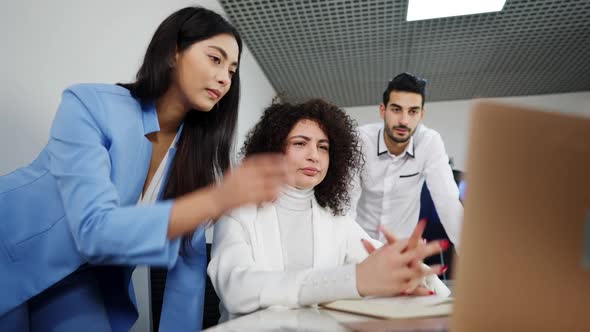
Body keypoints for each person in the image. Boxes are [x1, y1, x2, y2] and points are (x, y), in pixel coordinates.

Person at [0, 7, 287, 331]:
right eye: (215, 59)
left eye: (233, 70)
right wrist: (217, 199)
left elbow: (187, 265)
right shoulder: (88, 103)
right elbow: (94, 229)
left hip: (79, 277)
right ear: (173, 53)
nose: (225, 78)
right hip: (10, 249)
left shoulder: (193, 157)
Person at [208, 99, 450, 321]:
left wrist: (410, 267)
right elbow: (237, 290)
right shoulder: (237, 212)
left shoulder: (337, 221)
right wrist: (351, 279)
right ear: (272, 149)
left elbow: (380, 262)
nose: (314, 156)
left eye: (323, 147)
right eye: (300, 143)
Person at [349, 73, 463, 247]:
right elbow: (347, 202)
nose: (404, 120)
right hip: (360, 245)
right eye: (396, 109)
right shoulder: (361, 140)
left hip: (402, 250)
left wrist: (472, 258)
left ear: (422, 114)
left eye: (413, 111)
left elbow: (447, 201)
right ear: (383, 110)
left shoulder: (429, 142)